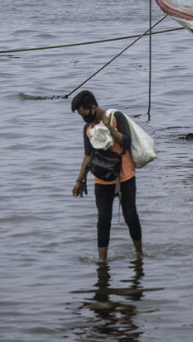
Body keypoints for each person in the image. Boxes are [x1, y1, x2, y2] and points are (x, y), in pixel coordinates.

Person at [71, 90, 142, 262]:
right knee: (103, 219)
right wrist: (79, 181)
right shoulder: (88, 129)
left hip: (125, 176)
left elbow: (126, 141)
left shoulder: (116, 117)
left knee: (130, 215)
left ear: (94, 107)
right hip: (101, 179)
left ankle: (139, 254)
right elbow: (88, 155)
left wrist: (108, 127)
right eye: (80, 115)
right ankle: (102, 260)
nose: (83, 118)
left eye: (84, 113)